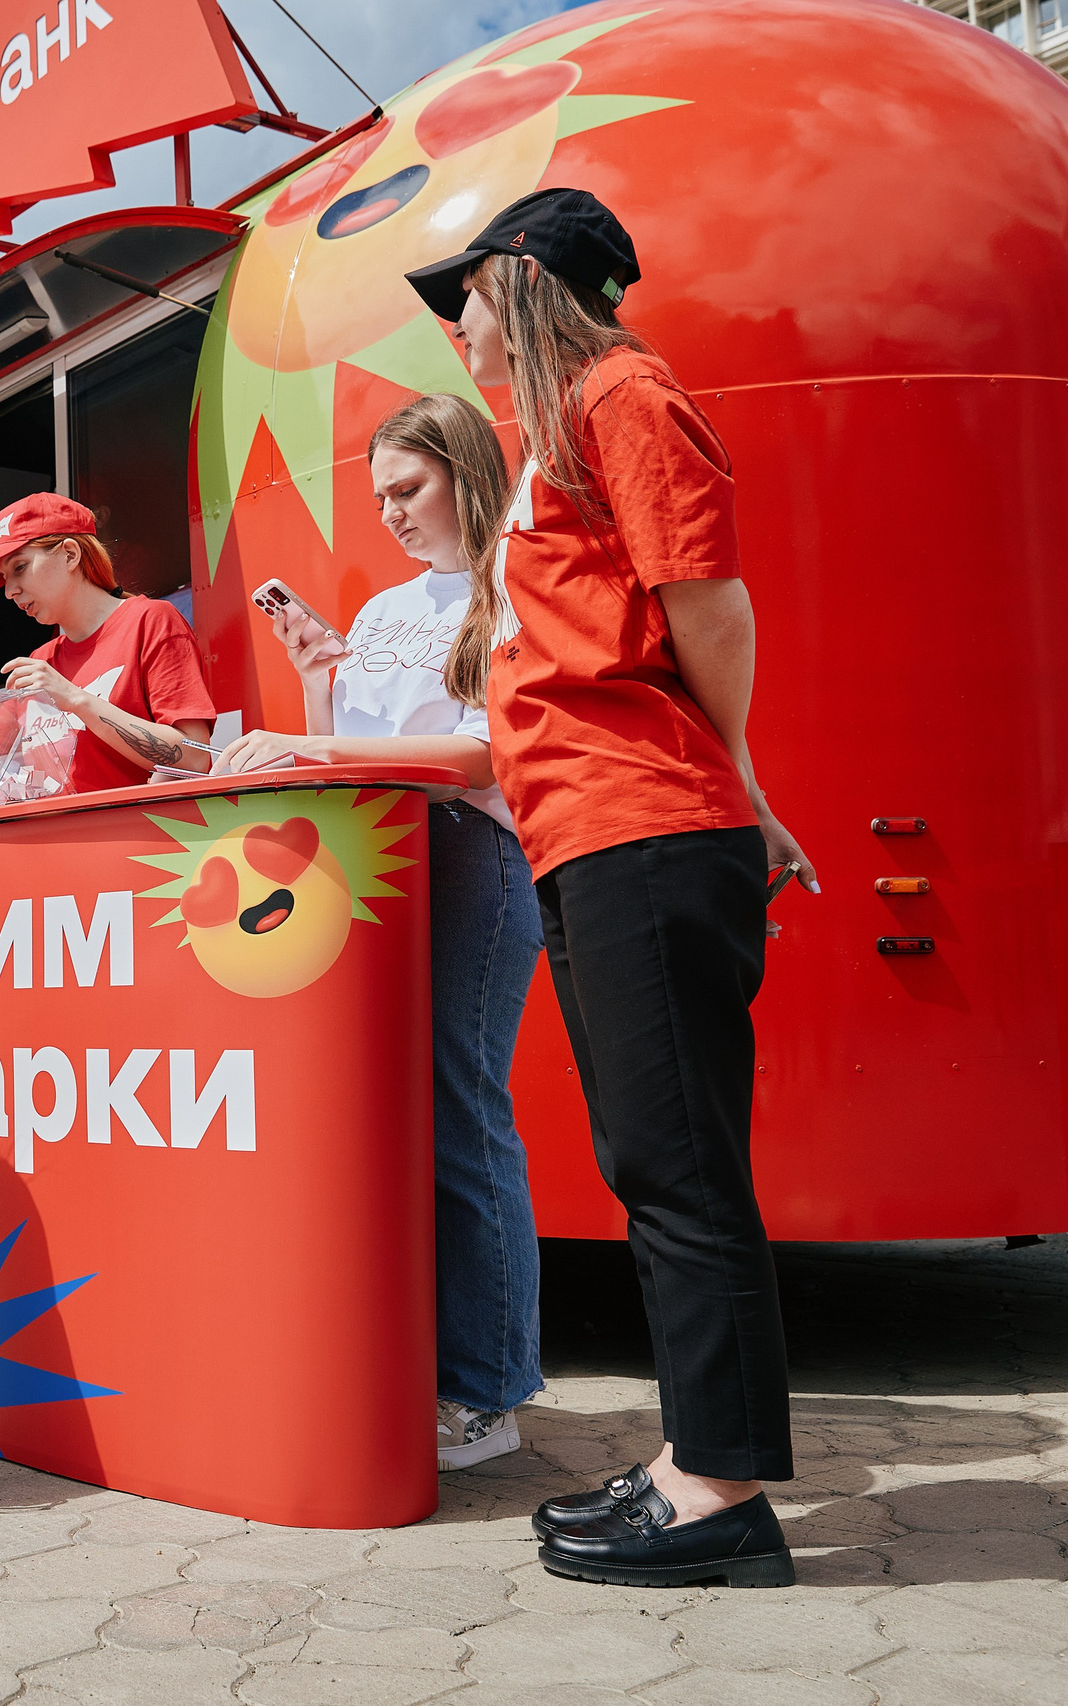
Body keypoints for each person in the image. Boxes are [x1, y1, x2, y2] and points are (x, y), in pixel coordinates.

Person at [404, 188, 814, 1587]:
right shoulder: (557, 430)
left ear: (526, 280)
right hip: (590, 828)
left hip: (641, 823)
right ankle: (699, 1458)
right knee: (656, 1163)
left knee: (679, 1170)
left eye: (464, 293)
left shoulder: (621, 394)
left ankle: (722, 1492)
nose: (454, 323)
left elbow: (709, 601)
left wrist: (733, 776)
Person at [216, 394, 544, 1473]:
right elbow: (354, 754)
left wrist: (309, 750)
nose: (392, 513)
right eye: (380, 498)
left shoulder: (513, 584)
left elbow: (485, 755)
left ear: (466, 473)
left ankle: (488, 1392)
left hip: (475, 860)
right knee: (394, 1120)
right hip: (384, 864)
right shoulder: (387, 605)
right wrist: (319, 684)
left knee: (462, 1110)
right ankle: (430, 1367)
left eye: (409, 488)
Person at [0, 492, 216, 793]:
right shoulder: (41, 661)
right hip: (54, 840)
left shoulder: (150, 621)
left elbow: (195, 758)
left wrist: (75, 698)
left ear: (70, 554)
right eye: (4, 578)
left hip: (136, 838)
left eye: (20, 567)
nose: (9, 591)